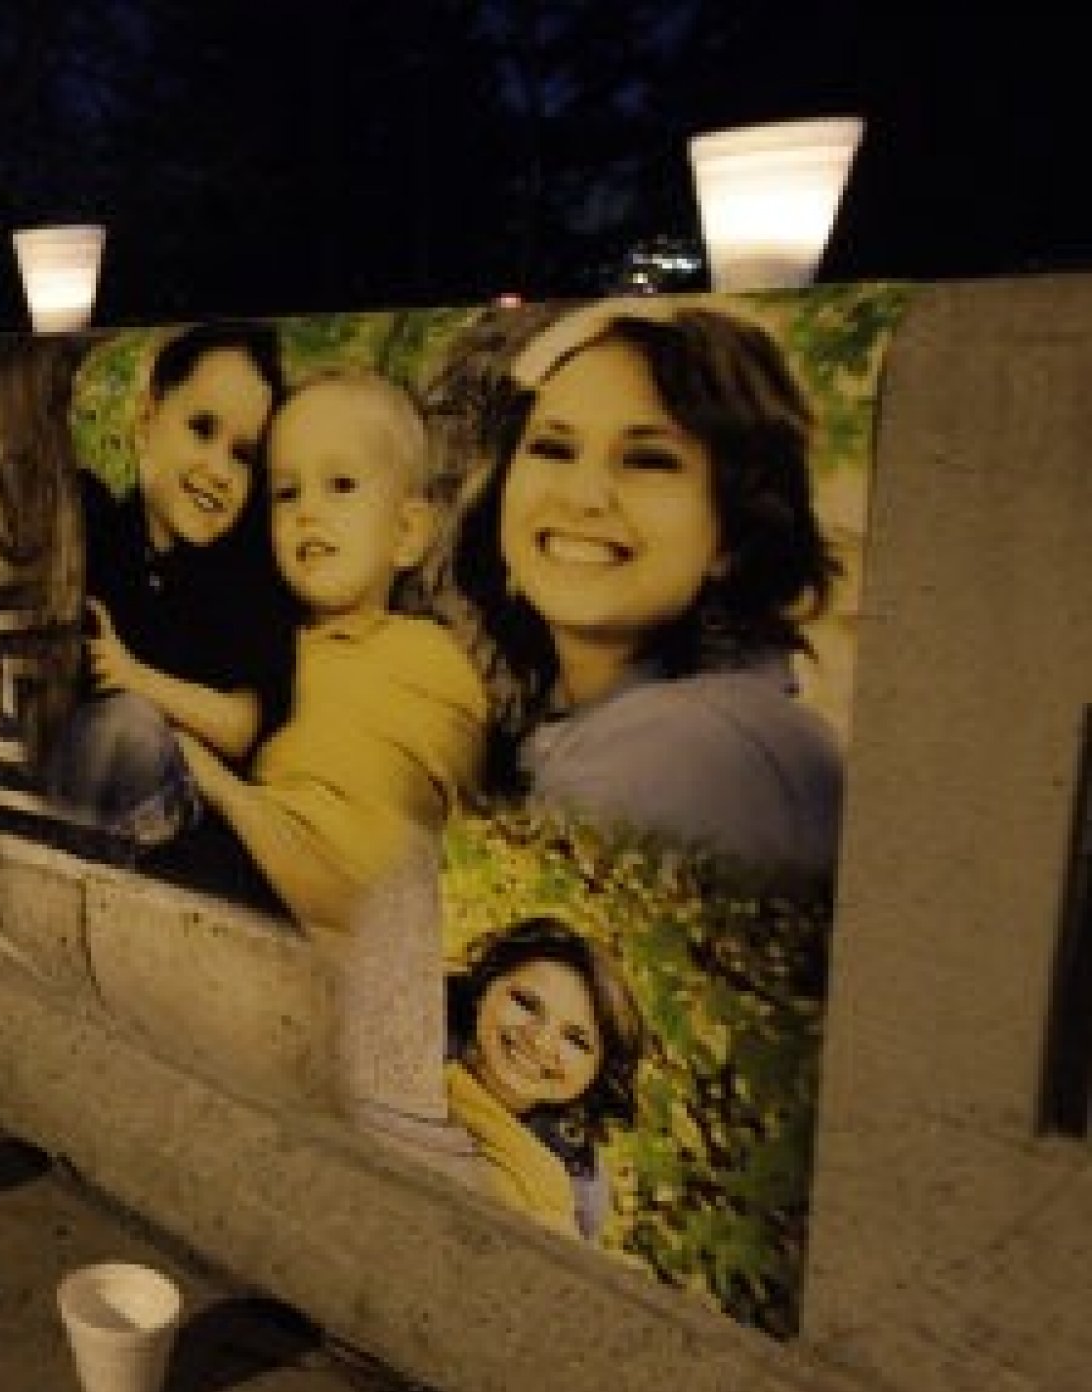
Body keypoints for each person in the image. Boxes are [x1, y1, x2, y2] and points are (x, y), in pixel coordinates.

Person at [449, 300, 843, 877]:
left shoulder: (682, 751)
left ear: (734, 533)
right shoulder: (618, 725)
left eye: (649, 461)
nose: (583, 496)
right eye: (553, 448)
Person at [178, 370, 487, 936]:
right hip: (234, 884)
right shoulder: (265, 654)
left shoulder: (431, 662)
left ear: (407, 532)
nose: (307, 512)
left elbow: (399, 863)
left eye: (341, 485)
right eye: (286, 493)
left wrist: (227, 794)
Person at [43, 322, 299, 862]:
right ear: (146, 420)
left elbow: (241, 725)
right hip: (81, 785)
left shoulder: (245, 577)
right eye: (201, 429)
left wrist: (134, 676)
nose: (217, 469)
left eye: (242, 455)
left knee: (128, 726)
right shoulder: (99, 530)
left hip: (185, 812)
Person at [440, 916, 644, 1242]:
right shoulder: (406, 1043)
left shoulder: (580, 1187)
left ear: (597, 1073)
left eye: (576, 1040)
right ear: (485, 988)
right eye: (526, 1003)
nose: (539, 1042)